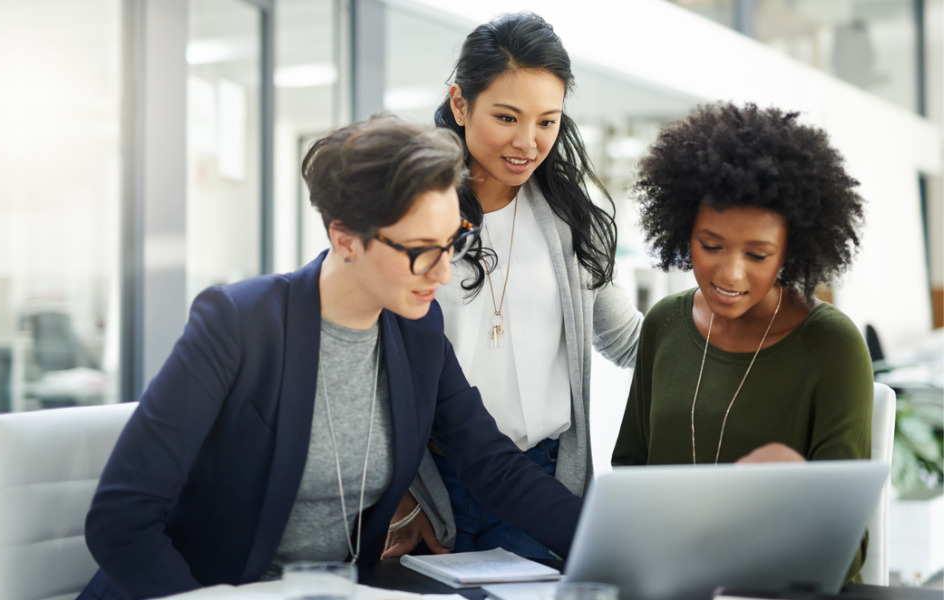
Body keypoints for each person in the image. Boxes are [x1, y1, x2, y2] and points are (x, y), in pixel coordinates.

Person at [77, 115, 583, 600]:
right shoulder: (238, 324)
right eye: (421, 250)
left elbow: (491, 465)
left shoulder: (417, 330)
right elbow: (121, 519)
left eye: (452, 244)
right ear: (344, 239)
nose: (444, 273)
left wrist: (603, 539)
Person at [383, 12, 643, 560]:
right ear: (460, 104)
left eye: (547, 122)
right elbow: (371, 364)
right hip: (434, 487)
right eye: (507, 117)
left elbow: (627, 340)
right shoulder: (409, 214)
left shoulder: (573, 219)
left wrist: (735, 329)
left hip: (544, 482)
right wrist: (403, 495)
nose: (528, 142)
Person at [611, 101, 872, 581]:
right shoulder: (664, 324)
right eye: (710, 246)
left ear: (791, 251)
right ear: (682, 230)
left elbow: (846, 545)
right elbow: (629, 471)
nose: (729, 273)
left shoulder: (832, 347)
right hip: (671, 581)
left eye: (757, 254)